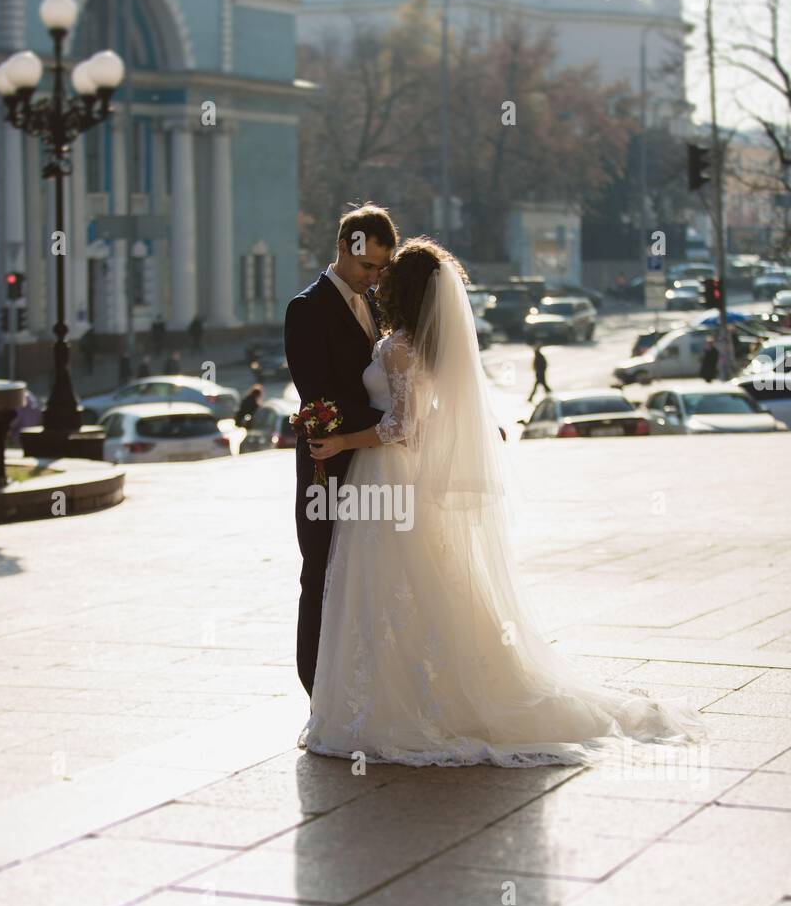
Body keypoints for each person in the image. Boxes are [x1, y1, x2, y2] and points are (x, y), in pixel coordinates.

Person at [301, 238, 706, 768]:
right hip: (401, 478)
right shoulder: (423, 346)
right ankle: (410, 698)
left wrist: (341, 442)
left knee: (387, 587)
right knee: (414, 586)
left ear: (404, 291)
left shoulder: (400, 347)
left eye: (389, 276)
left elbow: (402, 426)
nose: (380, 281)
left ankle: (392, 707)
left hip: (390, 474)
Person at [285, 202, 398, 696]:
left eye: (380, 269)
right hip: (327, 465)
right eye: (366, 265)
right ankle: (316, 689)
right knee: (322, 571)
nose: (373, 278)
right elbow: (320, 395)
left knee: (364, 576)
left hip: (374, 461)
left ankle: (358, 685)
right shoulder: (306, 309)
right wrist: (394, 424)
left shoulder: (373, 303)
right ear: (342, 248)